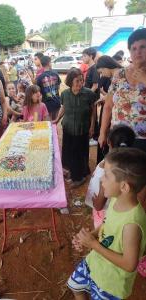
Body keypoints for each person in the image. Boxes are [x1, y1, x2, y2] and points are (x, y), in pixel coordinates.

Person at [68, 147, 146, 300]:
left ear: (124, 187)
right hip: (95, 264)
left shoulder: (132, 224)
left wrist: (94, 245)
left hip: (111, 283)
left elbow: (130, 264)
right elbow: (106, 225)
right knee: (75, 285)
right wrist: (89, 237)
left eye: (107, 176)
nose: (101, 179)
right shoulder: (116, 200)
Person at [99, 28, 146, 153]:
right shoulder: (119, 74)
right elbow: (108, 105)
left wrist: (144, 79)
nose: (138, 52)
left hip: (143, 140)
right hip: (118, 136)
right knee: (117, 171)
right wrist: (103, 132)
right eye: (134, 48)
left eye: (142, 47)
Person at [85, 124, 135, 228]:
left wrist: (95, 204)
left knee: (102, 233)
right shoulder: (130, 167)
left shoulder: (107, 171)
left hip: (105, 213)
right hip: (117, 212)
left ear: (108, 142)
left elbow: (99, 206)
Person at [53, 68, 96, 187]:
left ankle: (80, 176)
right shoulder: (65, 94)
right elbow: (64, 107)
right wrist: (57, 119)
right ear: (71, 81)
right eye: (77, 81)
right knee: (69, 151)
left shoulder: (89, 94)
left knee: (81, 152)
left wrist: (92, 127)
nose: (80, 83)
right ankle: (73, 171)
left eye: (82, 80)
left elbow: (93, 112)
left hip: (82, 128)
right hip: (68, 127)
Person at [96, 55, 122, 163]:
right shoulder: (118, 75)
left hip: (119, 121)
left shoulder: (117, 75)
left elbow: (108, 107)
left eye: (101, 71)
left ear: (106, 66)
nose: (102, 75)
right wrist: (105, 97)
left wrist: (102, 133)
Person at [37, 55, 61, 120]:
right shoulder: (55, 74)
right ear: (49, 63)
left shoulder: (39, 77)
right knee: (55, 122)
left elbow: (38, 92)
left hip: (46, 104)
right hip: (56, 101)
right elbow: (58, 87)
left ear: (41, 64)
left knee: (48, 123)